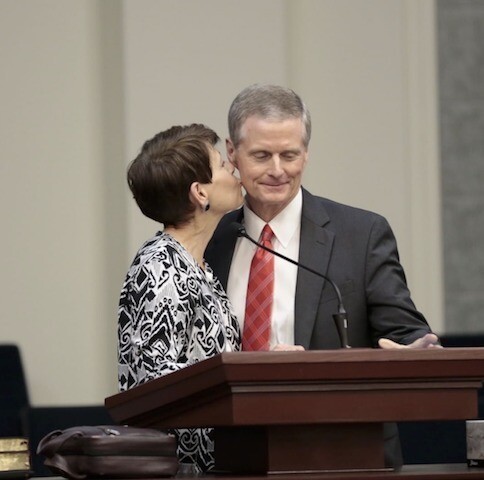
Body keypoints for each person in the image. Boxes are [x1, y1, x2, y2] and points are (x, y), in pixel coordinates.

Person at [204, 84, 440, 466]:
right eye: (262, 155)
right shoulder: (210, 239)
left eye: (290, 155)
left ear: (307, 152)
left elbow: (404, 333)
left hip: (344, 452)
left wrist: (420, 352)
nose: (278, 170)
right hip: (232, 456)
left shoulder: (360, 235)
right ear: (232, 153)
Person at [117, 123, 243, 473]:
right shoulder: (160, 267)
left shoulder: (197, 264)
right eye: (221, 165)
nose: (233, 170)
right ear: (200, 193)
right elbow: (157, 381)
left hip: (214, 463)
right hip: (180, 468)